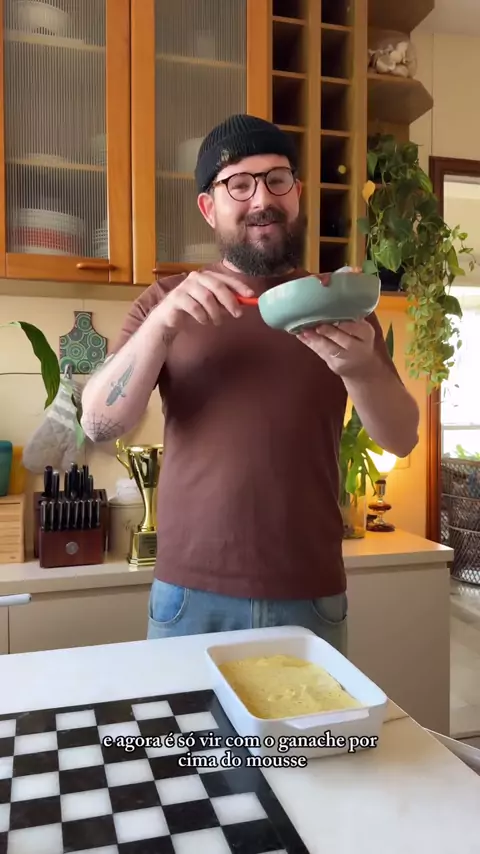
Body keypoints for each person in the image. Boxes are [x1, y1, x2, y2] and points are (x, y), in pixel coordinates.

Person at [81, 114, 419, 655]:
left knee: (312, 721)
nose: (262, 199)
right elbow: (100, 423)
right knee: (186, 718)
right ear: (208, 206)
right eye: (238, 184)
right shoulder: (164, 303)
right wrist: (161, 326)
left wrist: (360, 368)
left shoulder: (341, 304)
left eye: (276, 179)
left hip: (310, 594)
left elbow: (401, 439)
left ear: (297, 193)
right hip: (188, 597)